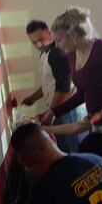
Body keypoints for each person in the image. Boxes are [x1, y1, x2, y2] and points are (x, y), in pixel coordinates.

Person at [40, 6, 102, 146]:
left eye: (59, 40)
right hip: (98, 122)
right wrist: (53, 112)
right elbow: (83, 93)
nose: (57, 45)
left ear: (73, 36)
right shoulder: (72, 54)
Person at [10, 19, 87, 152]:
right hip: (60, 110)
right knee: (65, 147)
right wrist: (33, 98)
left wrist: (51, 112)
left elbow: (63, 87)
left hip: (66, 110)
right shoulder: (46, 53)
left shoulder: (57, 54)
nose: (38, 44)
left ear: (49, 33)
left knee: (69, 149)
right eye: (34, 42)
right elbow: (50, 83)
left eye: (41, 39)